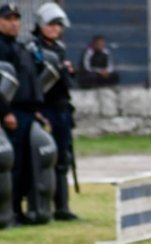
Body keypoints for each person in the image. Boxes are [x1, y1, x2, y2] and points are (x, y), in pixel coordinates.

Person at [0, 2, 46, 226]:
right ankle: (9, 212)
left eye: (16, 18)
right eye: (7, 19)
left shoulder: (20, 46)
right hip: (11, 113)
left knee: (26, 165)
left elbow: (30, 79)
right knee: (12, 165)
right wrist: (5, 112)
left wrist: (36, 111)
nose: (13, 23)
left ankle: (19, 209)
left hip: (27, 112)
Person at [31, 1, 77, 221]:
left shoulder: (59, 48)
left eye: (58, 25)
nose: (55, 29)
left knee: (63, 158)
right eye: (51, 24)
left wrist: (69, 71)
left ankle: (62, 205)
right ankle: (41, 206)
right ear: (41, 24)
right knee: (44, 157)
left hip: (61, 110)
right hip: (45, 109)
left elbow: (65, 83)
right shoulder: (34, 48)